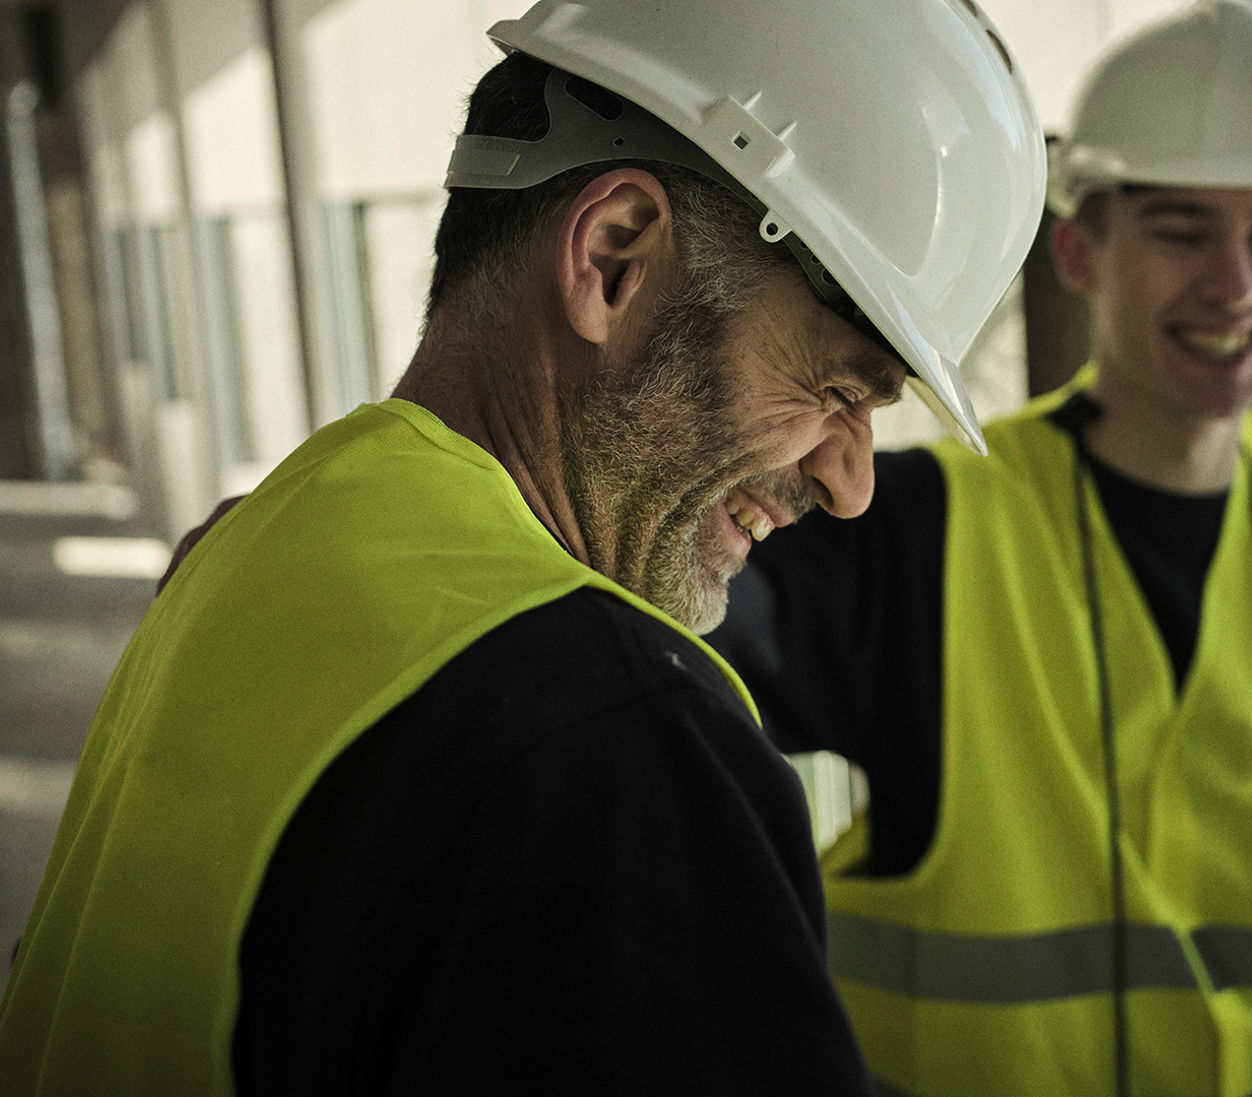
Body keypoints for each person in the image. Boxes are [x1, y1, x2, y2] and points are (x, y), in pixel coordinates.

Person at [0, 1, 1047, 1092]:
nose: (850, 481)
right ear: (611, 257)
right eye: (835, 390)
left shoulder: (255, 546)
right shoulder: (606, 734)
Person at [709, 2, 1252, 1095]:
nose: (1235, 284)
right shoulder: (912, 528)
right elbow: (642, 672)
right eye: (1182, 230)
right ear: (1078, 250)